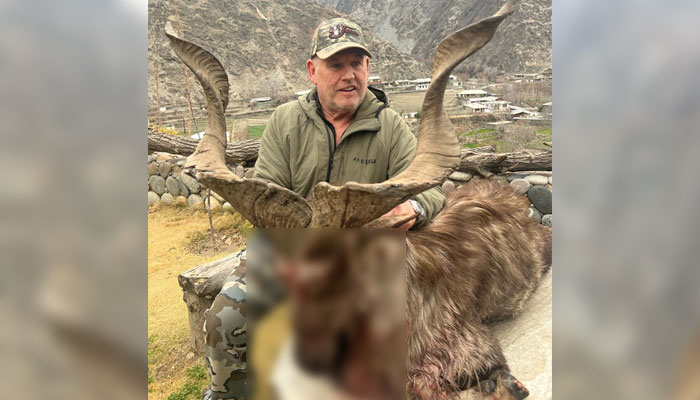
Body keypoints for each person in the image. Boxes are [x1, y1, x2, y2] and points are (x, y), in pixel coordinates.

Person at [201, 17, 445, 400]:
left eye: (356, 64)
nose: (349, 76)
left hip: (360, 259)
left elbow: (431, 187)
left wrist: (412, 206)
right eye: (336, 65)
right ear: (313, 71)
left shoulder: (391, 127)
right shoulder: (285, 122)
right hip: (287, 249)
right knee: (226, 318)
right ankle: (231, 393)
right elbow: (265, 196)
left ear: (368, 68)